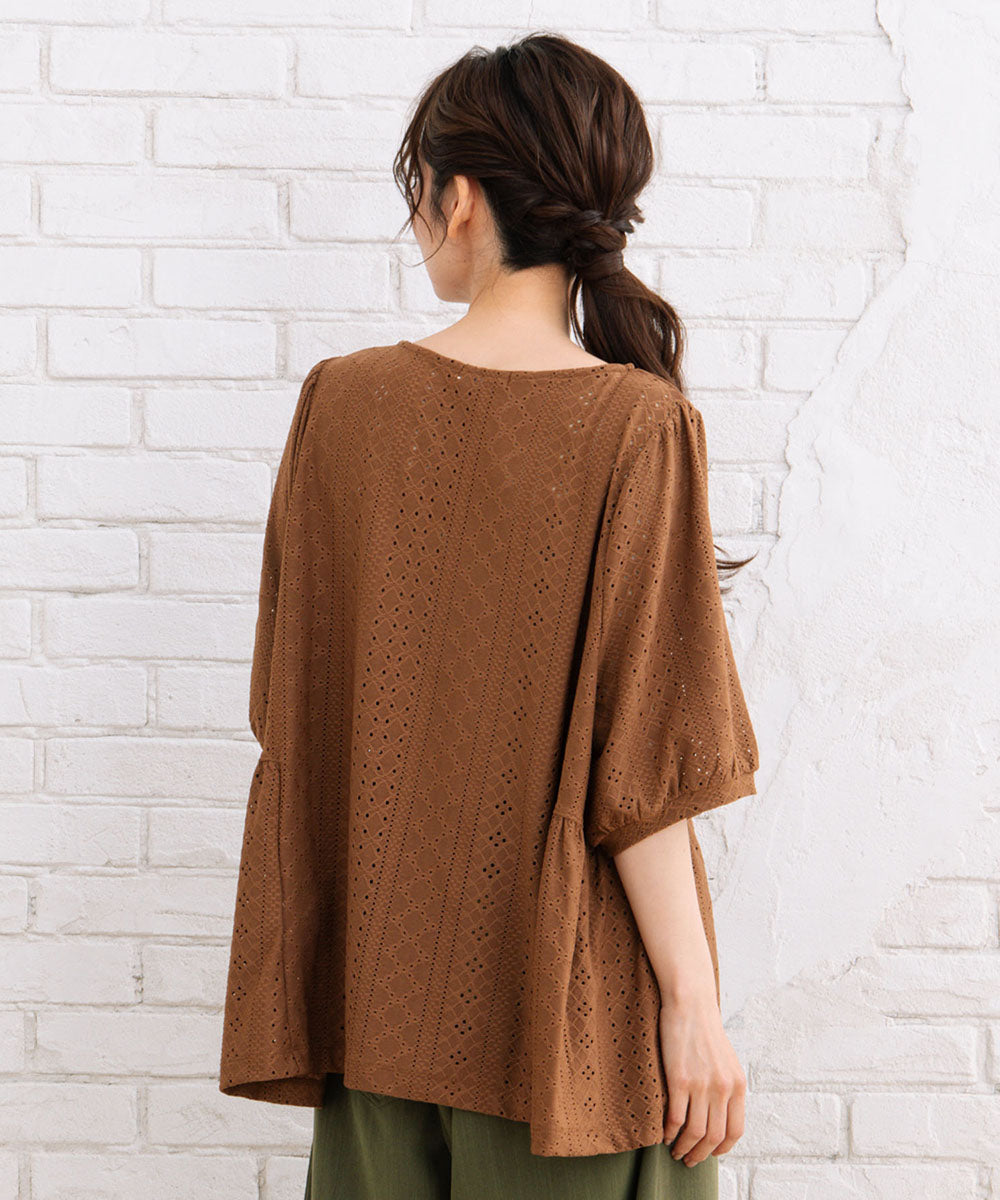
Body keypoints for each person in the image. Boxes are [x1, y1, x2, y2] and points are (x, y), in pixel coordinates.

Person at [218, 31, 761, 1200]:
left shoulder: (340, 406)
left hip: (375, 1011)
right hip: (566, 1041)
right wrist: (692, 1004)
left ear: (457, 196)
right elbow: (645, 772)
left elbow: (293, 717)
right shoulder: (638, 428)